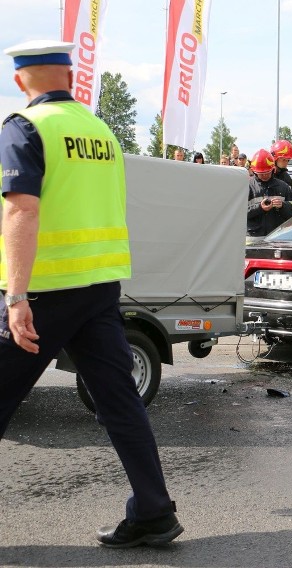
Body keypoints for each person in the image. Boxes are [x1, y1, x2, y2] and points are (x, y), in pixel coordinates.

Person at [0, 39, 182, 547]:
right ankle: (153, 512)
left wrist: (16, 298)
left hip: (45, 291)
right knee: (120, 401)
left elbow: (22, 210)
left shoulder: (25, 126)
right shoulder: (100, 131)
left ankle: (153, 513)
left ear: (21, 80)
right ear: (70, 76)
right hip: (99, 288)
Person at [246, 148, 292, 237]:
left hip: (277, 236)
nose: (265, 175)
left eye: (267, 172)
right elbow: (238, 214)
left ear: (273, 169)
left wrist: (283, 205)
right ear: (254, 172)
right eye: (261, 173)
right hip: (253, 237)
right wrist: (259, 208)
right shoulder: (247, 187)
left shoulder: (283, 186)